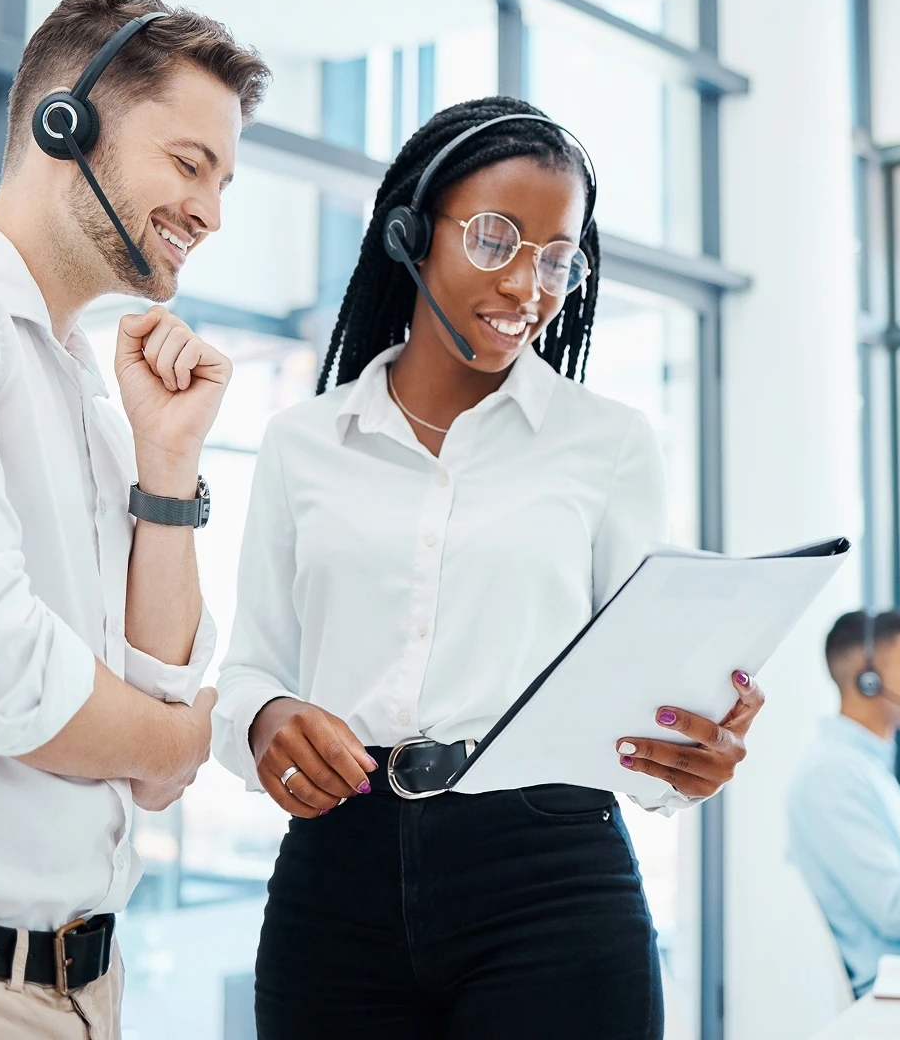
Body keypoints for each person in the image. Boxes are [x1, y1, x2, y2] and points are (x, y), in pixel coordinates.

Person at [214, 95, 766, 1038]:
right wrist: (266, 717)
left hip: (550, 875)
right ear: (413, 233)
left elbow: (637, 687)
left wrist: (689, 754)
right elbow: (252, 668)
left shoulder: (610, 445)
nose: (529, 285)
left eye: (557, 257)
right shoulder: (305, 443)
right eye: (497, 238)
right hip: (336, 871)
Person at [0, 0, 269, 1039]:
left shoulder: (90, 395)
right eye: (189, 165)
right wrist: (171, 746)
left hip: (79, 991)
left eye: (224, 182)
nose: (211, 214)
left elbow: (154, 687)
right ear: (63, 122)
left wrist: (167, 468)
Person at [788, 610, 900, 997]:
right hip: (892, 990)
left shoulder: (866, 769)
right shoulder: (832, 776)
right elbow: (897, 910)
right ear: (869, 679)